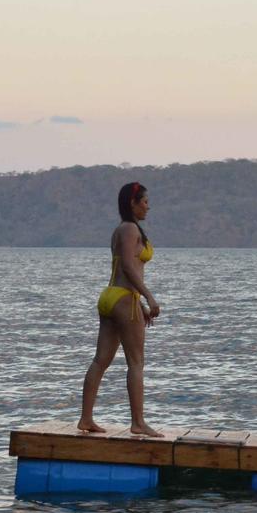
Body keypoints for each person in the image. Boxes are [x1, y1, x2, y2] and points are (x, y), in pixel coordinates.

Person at [77, 182, 163, 436]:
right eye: (145, 201)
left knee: (100, 360)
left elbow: (130, 266)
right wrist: (148, 298)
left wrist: (140, 301)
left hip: (112, 297)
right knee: (136, 363)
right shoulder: (128, 229)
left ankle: (86, 419)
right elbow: (127, 266)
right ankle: (138, 423)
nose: (148, 206)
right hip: (124, 297)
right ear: (132, 203)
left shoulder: (123, 229)